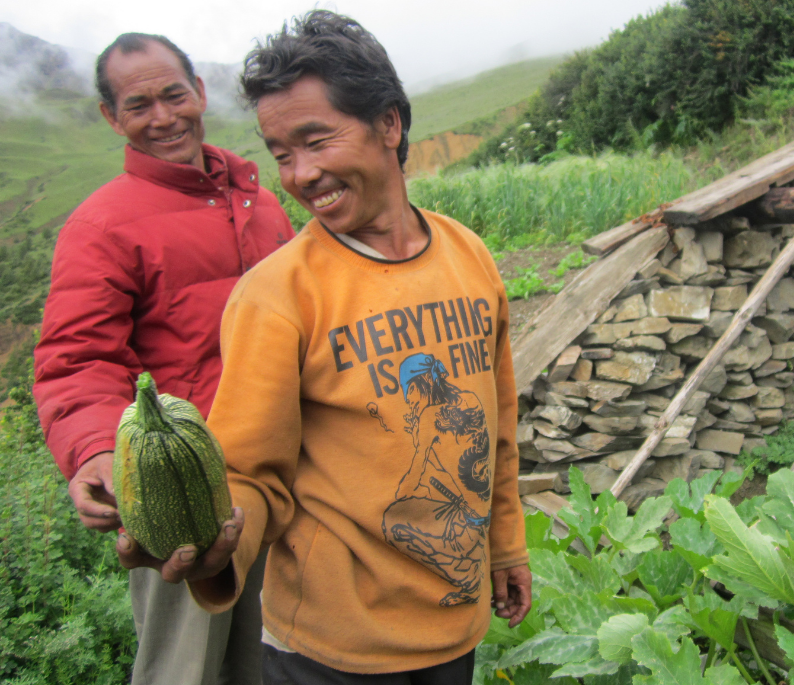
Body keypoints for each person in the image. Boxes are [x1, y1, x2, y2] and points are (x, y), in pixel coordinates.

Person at [115, 11, 532, 684]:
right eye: (281, 153)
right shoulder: (277, 294)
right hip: (329, 651)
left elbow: (499, 427)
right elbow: (251, 471)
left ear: (388, 124)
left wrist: (506, 545)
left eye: (316, 140)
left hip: (453, 628)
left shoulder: (469, 257)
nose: (300, 173)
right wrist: (218, 543)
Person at [33, 31, 294, 685]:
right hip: (186, 493)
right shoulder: (100, 226)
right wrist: (93, 448)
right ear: (111, 117)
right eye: (138, 104)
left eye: (174, 95)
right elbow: (77, 357)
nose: (163, 117)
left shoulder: (260, 204)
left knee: (280, 657)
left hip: (284, 476)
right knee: (187, 667)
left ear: (199, 92)